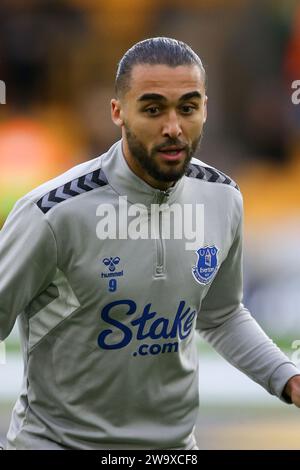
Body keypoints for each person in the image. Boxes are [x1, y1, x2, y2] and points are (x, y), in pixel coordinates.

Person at [0, 37, 300, 451]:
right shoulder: (53, 213)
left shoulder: (222, 198)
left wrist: (287, 378)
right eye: (153, 109)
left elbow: (222, 314)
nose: (173, 127)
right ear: (118, 112)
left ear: (205, 109)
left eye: (188, 108)